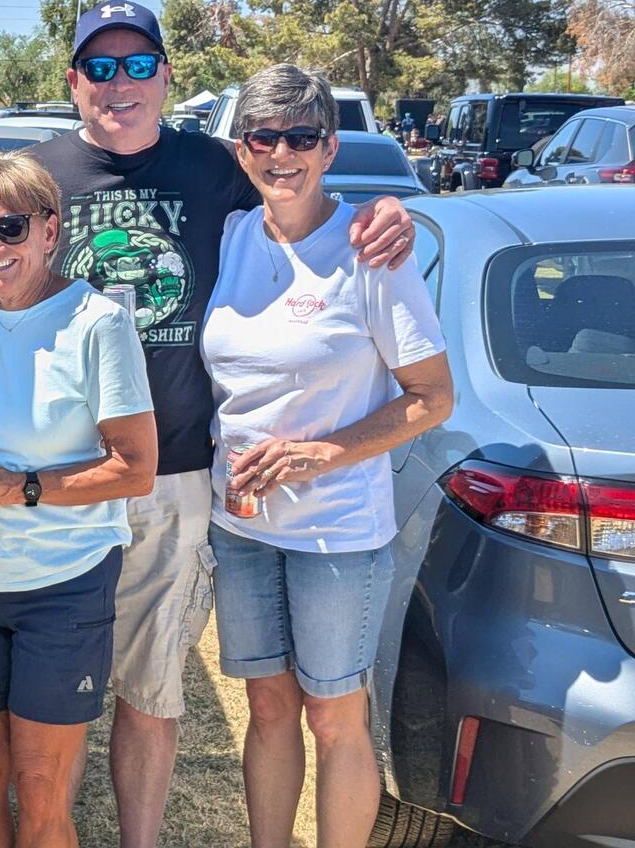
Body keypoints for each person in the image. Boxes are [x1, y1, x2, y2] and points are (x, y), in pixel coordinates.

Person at [25, 0, 415, 845]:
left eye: (137, 66)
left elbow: (304, 206)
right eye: (100, 67)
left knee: (154, 688)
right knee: (50, 694)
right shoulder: (36, 172)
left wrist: (383, 213)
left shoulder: (216, 171)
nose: (118, 85)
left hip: (175, 477)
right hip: (59, 473)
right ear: (73, 81)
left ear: (166, 77)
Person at [201, 64, 453, 848]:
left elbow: (431, 398)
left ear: (330, 145)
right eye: (264, 138)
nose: (282, 154)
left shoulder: (371, 252)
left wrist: (322, 453)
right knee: (269, 708)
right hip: (239, 526)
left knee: (336, 719)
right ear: (241, 149)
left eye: (301, 138)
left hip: (335, 534)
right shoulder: (232, 234)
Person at [0, 152, 158, 847]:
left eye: (10, 227)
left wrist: (16, 486)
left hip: (64, 584)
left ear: (50, 230)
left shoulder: (97, 323)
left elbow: (136, 468)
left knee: (39, 786)